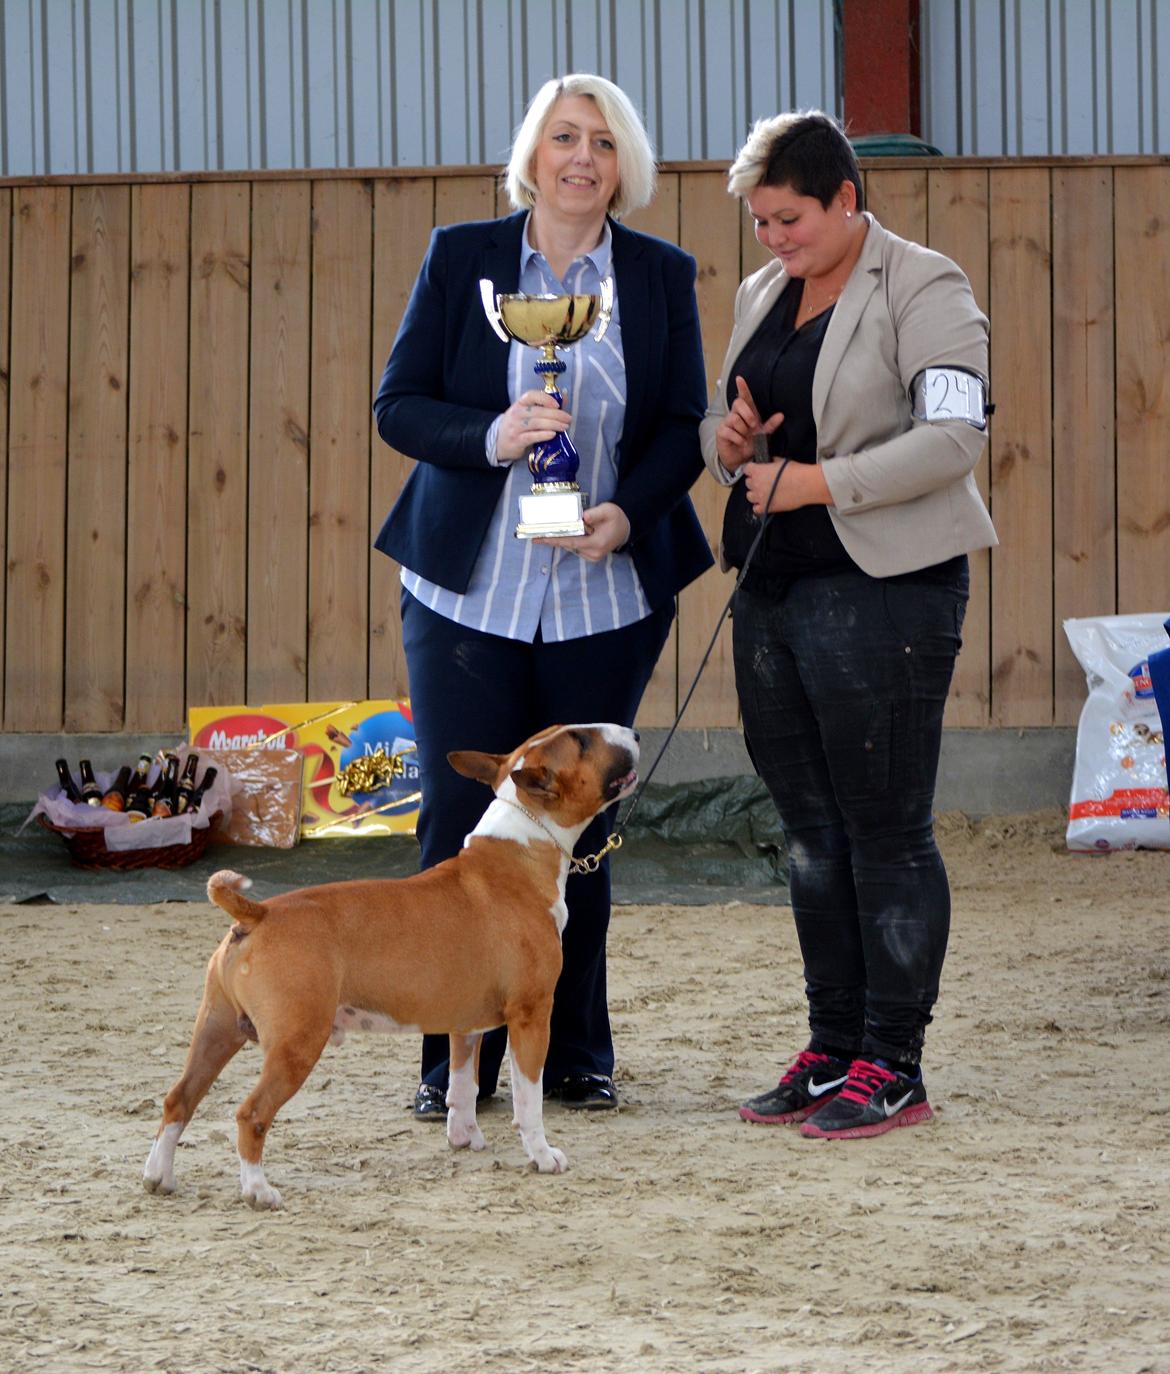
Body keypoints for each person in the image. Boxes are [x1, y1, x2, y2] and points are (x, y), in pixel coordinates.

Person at [373, 74, 713, 1118]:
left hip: (604, 595)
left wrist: (627, 514)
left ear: (627, 166)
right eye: (564, 138)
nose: (582, 158)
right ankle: (449, 1069)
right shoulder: (461, 257)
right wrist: (490, 436)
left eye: (603, 144)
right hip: (465, 595)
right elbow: (400, 405)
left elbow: (682, 424)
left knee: (586, 834)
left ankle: (573, 1057)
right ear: (533, 152)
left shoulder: (657, 275)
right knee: (456, 827)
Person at [700, 111, 997, 1140]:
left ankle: (895, 1060)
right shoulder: (761, 291)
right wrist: (729, 441)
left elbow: (954, 437)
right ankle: (832, 1049)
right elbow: (724, 430)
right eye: (760, 223)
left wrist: (817, 482)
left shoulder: (927, 285)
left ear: (845, 201)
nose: (772, 240)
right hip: (773, 586)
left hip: (889, 589)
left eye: (789, 219)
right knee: (810, 835)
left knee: (886, 831)